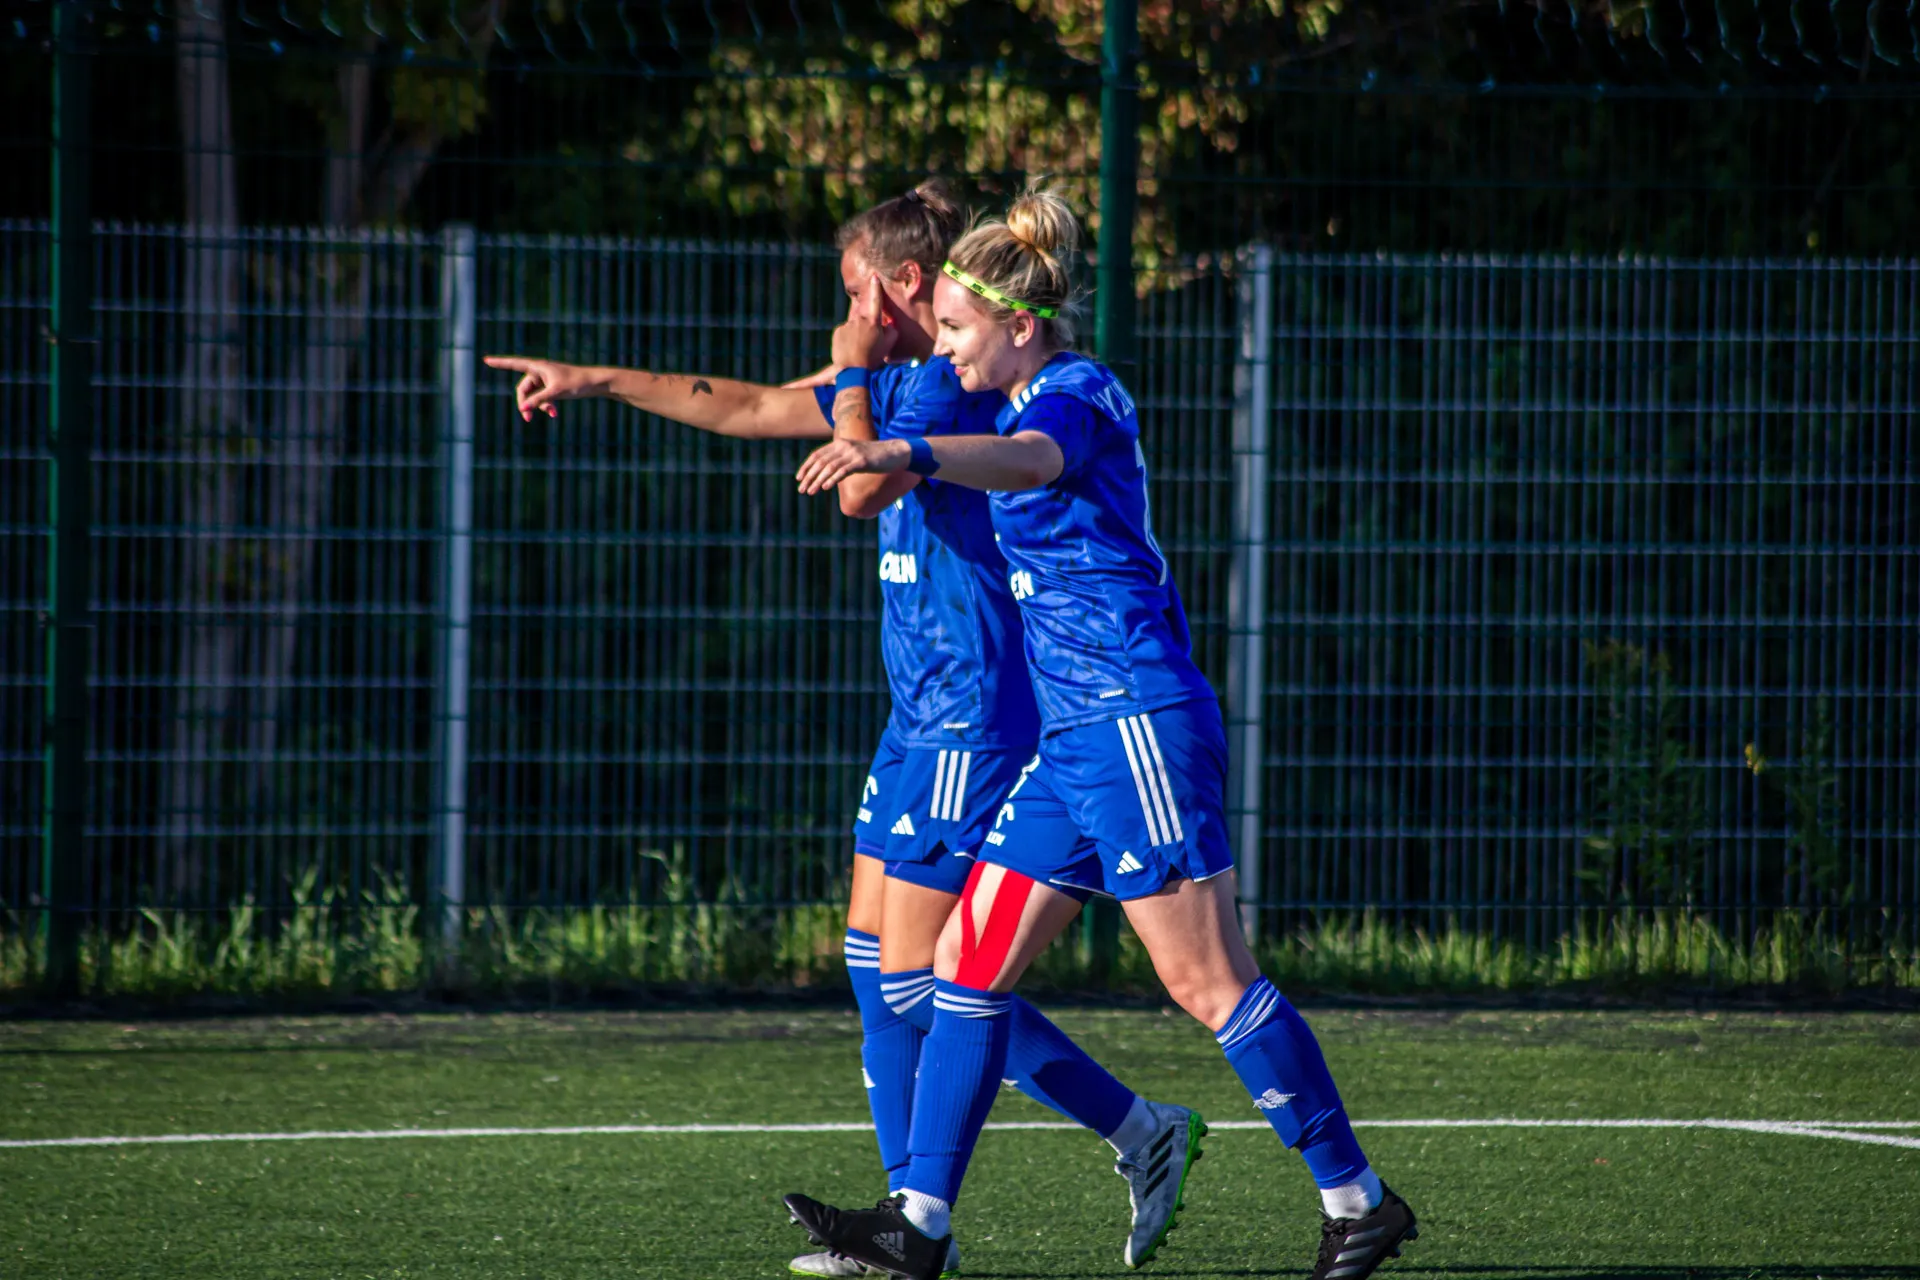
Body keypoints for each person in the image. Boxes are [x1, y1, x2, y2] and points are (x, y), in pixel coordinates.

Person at [483, 182, 1206, 1277]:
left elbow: (862, 490)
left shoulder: (953, 385)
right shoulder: (905, 377)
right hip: (919, 711)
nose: (847, 312)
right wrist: (598, 379)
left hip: (977, 712)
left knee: (927, 977)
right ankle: (918, 1215)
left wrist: (855, 376)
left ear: (900, 284)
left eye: (855, 291)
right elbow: (748, 406)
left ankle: (1049, 1164)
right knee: (877, 965)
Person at [783, 189, 1420, 1280]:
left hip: (1134, 724)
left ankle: (1357, 1200)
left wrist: (907, 449)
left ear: (1019, 324)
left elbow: (1035, 460)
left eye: (957, 328)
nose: (945, 346)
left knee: (1207, 980)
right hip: (1073, 743)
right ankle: (917, 1224)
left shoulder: (1073, 393)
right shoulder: (1005, 394)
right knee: (964, 967)